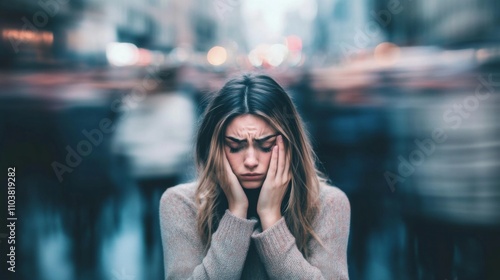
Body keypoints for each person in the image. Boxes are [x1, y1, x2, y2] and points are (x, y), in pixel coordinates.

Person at [159, 73, 350, 279]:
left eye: (266, 146)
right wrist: (236, 215)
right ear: (214, 148)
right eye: (235, 147)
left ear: (291, 146)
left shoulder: (328, 203)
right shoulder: (181, 203)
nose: (250, 160)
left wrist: (271, 217)